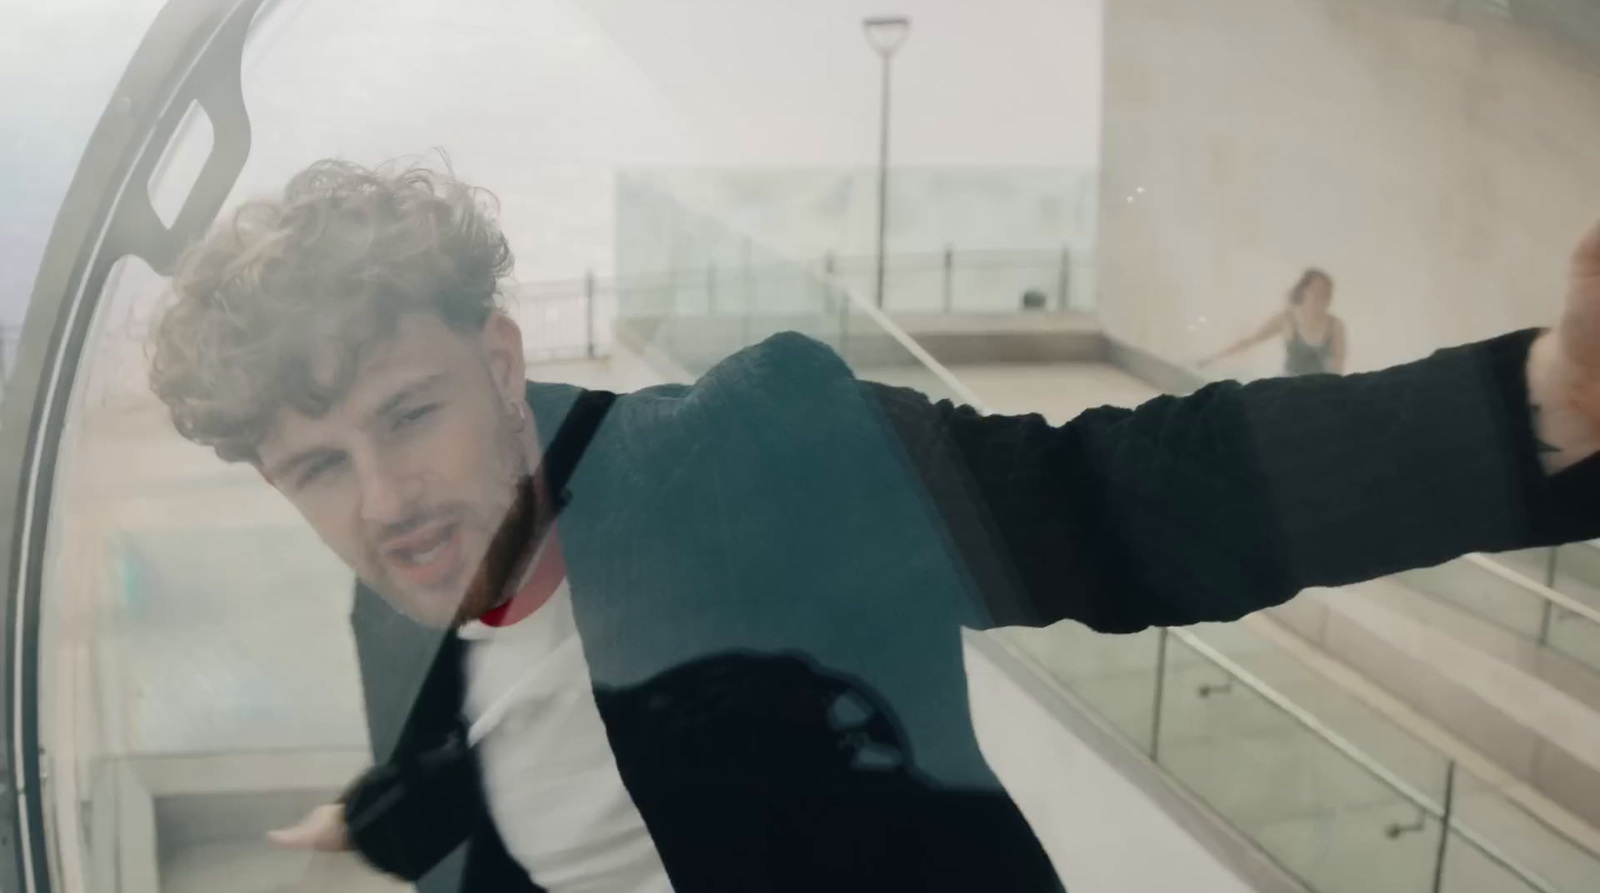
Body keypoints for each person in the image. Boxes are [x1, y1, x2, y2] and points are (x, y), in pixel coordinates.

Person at [146, 160, 1600, 893]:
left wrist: (1533, 408)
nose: (385, 504)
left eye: (409, 415)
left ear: (504, 362)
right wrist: (390, 815)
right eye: (317, 469)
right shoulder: (386, 617)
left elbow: (1124, 497)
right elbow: (494, 752)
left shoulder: (758, 455)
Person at [1203, 268, 1347, 375]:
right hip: (1287, 386)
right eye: (1316, 291)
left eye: (1326, 292)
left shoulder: (1335, 326)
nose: (1321, 297)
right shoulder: (1287, 318)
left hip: (1319, 390)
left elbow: (1338, 364)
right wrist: (1213, 358)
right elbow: (1251, 341)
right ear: (1304, 291)